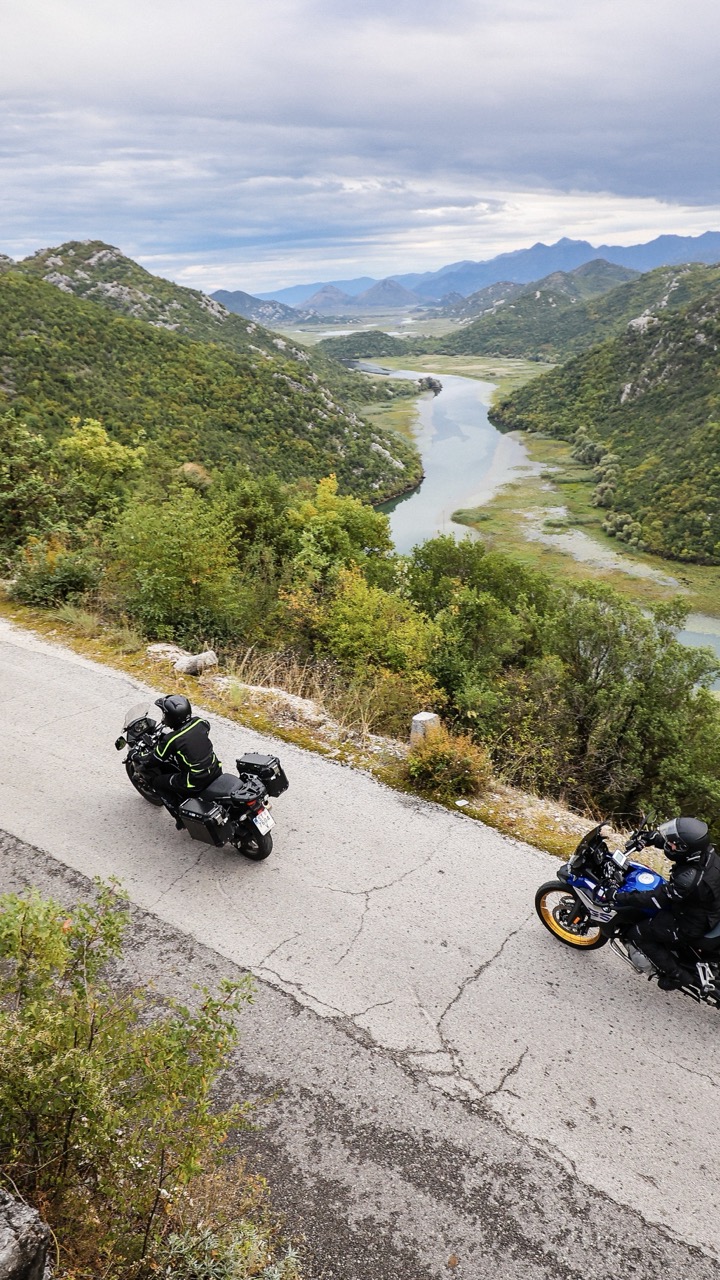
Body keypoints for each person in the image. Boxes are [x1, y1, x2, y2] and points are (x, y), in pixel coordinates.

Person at [620, 817, 720, 990]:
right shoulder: (705, 852)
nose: (670, 845)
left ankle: (677, 976)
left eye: (674, 844)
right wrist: (651, 838)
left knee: (637, 933)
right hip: (707, 909)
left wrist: (620, 896)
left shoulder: (688, 879)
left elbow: (656, 898)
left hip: (691, 923)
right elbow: (680, 849)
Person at [146, 694, 222, 816]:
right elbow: (204, 730)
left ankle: (178, 815)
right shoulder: (200, 722)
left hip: (195, 781)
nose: (164, 717)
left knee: (157, 782)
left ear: (172, 717)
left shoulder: (172, 739)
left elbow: (154, 760)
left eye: (165, 714)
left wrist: (137, 756)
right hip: (215, 769)